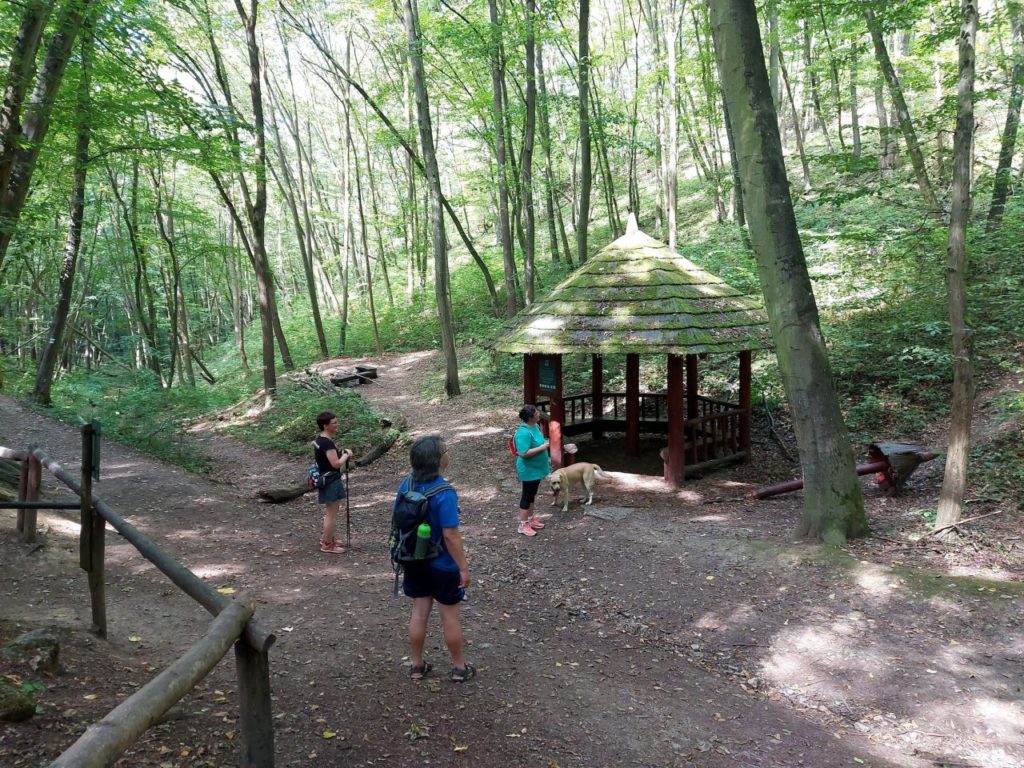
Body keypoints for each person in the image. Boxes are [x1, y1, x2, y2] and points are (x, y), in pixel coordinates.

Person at [397, 434, 475, 683]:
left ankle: (417, 665)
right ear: (439, 461)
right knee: (449, 615)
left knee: (419, 611)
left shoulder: (406, 486)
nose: (447, 454)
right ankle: (459, 668)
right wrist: (463, 567)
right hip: (442, 564)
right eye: (445, 451)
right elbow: (450, 534)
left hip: (413, 560)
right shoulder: (445, 492)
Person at [314, 411, 354, 554]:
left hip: (326, 478)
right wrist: (346, 455)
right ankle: (327, 544)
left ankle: (328, 537)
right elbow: (336, 464)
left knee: (331, 512)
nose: (337, 425)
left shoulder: (320, 440)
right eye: (334, 423)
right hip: (331, 480)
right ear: (325, 426)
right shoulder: (327, 443)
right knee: (332, 513)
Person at [513, 404, 551, 537]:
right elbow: (523, 453)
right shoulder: (523, 433)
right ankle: (523, 525)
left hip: (537, 469)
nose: (539, 414)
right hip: (528, 470)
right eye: (536, 413)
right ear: (530, 417)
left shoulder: (534, 426)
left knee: (532, 494)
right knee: (527, 495)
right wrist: (543, 447)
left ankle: (530, 519)